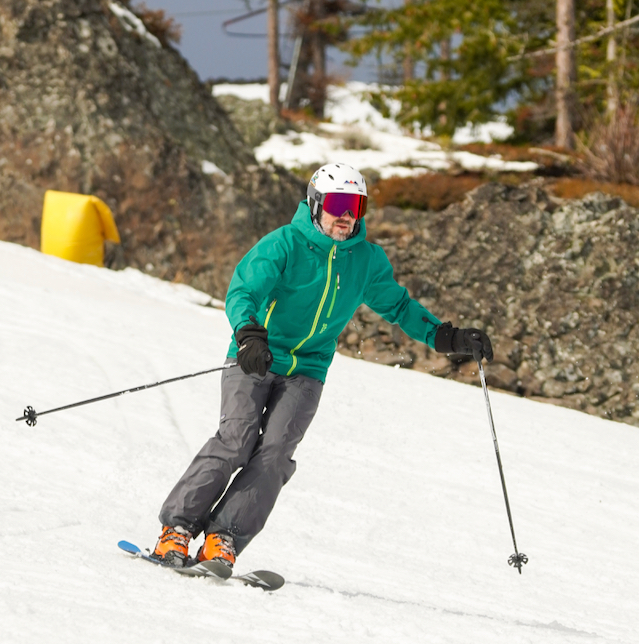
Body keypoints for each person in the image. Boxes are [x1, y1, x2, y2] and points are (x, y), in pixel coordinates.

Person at [151, 162, 493, 568]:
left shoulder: (365, 260)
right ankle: (177, 528)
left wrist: (446, 337)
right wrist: (248, 334)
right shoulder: (285, 244)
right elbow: (243, 290)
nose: (347, 215)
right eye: (338, 204)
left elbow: (399, 306)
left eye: (357, 206)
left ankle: (222, 538)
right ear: (316, 204)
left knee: (275, 455)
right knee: (236, 441)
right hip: (257, 355)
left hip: (308, 369)